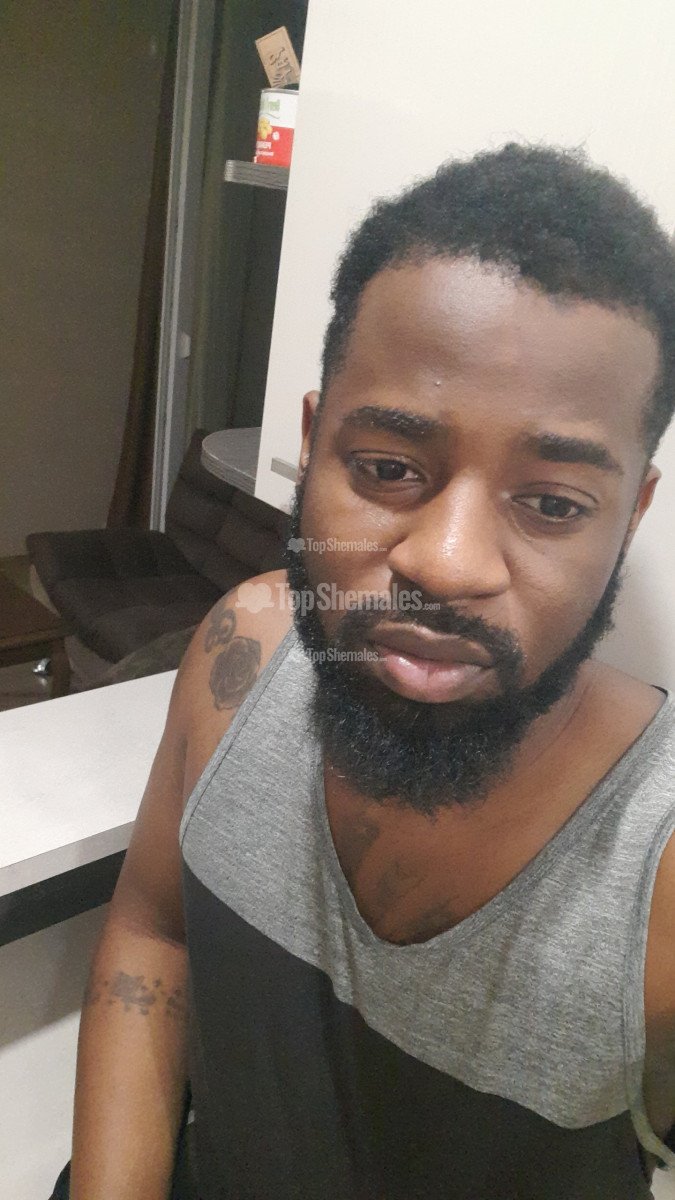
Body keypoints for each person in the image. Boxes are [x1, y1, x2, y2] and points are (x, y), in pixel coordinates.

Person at [67, 144, 675, 1199]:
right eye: (389, 469)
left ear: (629, 518)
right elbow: (152, 933)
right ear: (312, 448)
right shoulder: (242, 652)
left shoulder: (657, 869)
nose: (448, 563)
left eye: (551, 503)